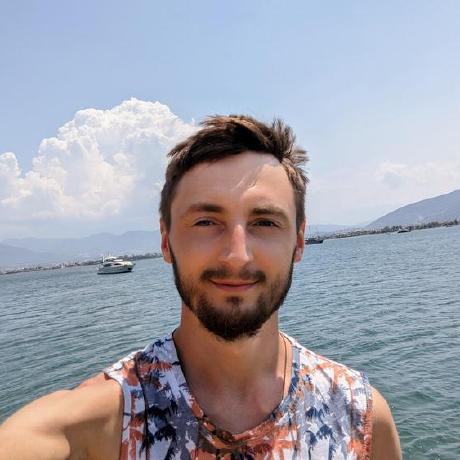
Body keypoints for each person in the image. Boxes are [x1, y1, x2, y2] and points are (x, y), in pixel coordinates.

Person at [0, 115, 401, 459]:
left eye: (265, 222)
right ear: (166, 241)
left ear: (298, 241)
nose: (237, 256)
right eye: (206, 222)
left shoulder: (361, 416)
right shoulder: (94, 428)